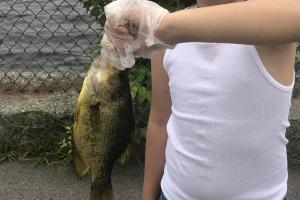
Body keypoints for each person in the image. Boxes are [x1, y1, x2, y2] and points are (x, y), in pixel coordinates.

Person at [104, 0, 300, 199]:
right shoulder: (166, 36)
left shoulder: (274, 25)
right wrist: (148, 196)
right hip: (174, 193)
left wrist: (162, 26)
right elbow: (159, 122)